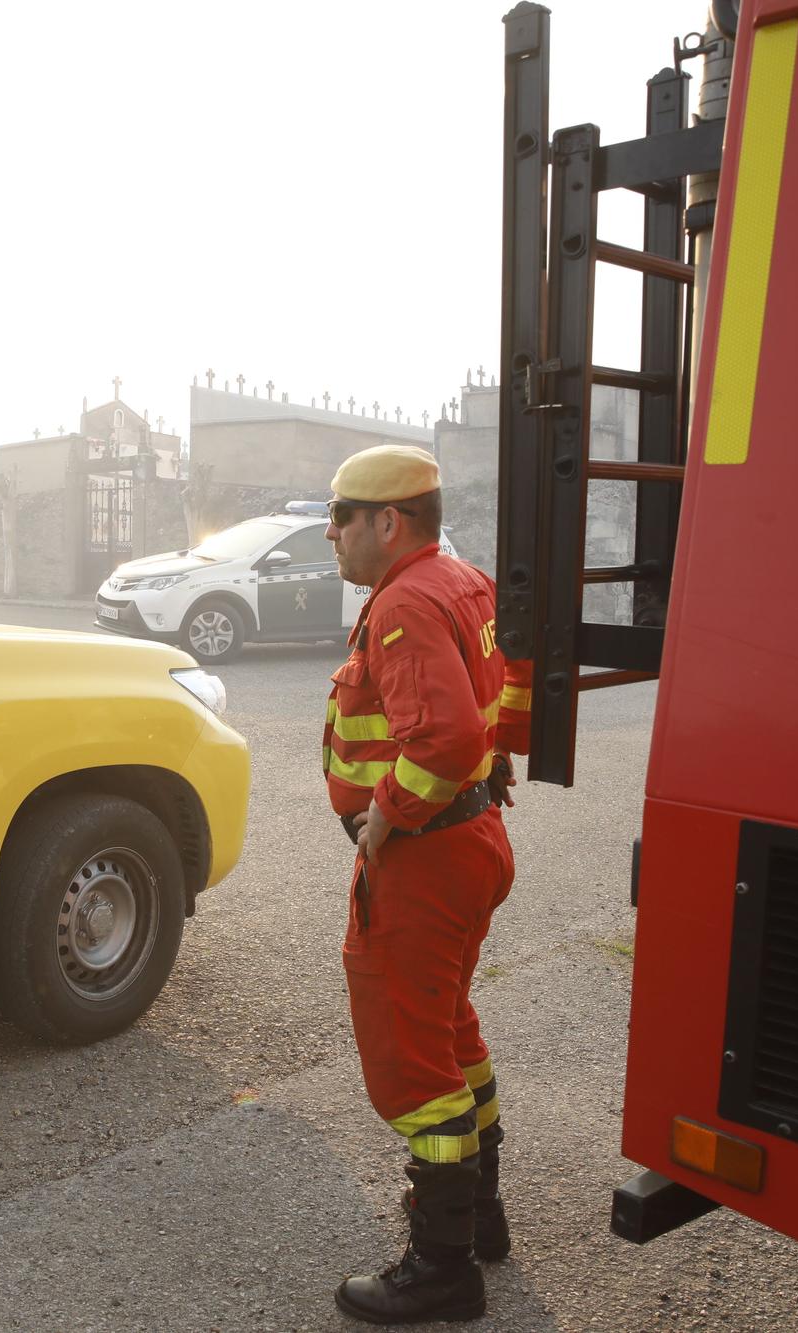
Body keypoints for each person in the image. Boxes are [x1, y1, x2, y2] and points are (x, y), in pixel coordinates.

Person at [320, 444, 533, 1324]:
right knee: (450, 1026)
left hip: (426, 857)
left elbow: (440, 738)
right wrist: (497, 761)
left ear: (386, 522)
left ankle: (442, 1266)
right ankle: (480, 1215)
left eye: (341, 516)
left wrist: (386, 816)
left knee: (415, 1060)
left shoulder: (405, 600)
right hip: (472, 837)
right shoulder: (462, 579)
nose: (330, 532)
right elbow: (507, 685)